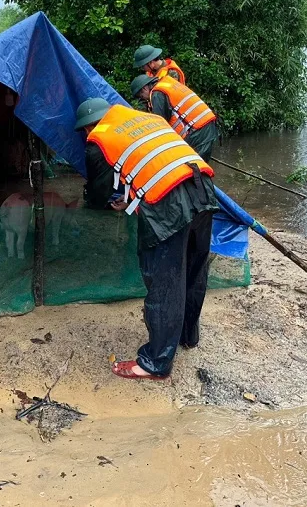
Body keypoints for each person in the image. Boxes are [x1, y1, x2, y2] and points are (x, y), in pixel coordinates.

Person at [74, 97, 218, 380]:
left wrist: (96, 204)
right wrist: (128, 197)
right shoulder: (146, 119)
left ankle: (155, 363)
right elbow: (151, 163)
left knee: (164, 281)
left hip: (169, 204)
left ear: (89, 126)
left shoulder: (99, 140)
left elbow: (99, 191)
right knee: (194, 269)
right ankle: (188, 336)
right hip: (203, 188)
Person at [131, 74, 219, 162]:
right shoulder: (167, 83)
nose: (146, 100)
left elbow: (160, 126)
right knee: (199, 164)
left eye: (142, 97)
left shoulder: (157, 95)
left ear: (144, 89)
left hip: (197, 132)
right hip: (207, 125)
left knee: (190, 166)